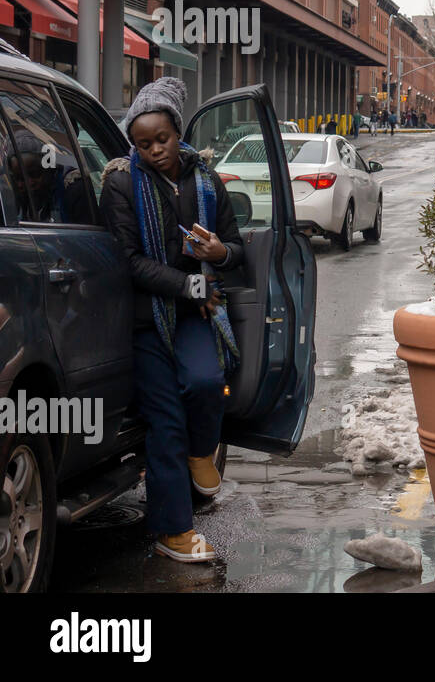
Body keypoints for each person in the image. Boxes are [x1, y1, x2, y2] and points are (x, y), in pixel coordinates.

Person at [99, 78, 243, 564]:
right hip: (146, 319)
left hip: (195, 312)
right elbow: (129, 259)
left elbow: (235, 247)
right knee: (165, 421)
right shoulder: (120, 184)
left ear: (178, 133)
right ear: (133, 144)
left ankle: (202, 452)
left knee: (206, 383)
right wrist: (189, 285)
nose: (155, 150)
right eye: (143, 144)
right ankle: (174, 532)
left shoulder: (207, 181)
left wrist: (218, 253)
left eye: (162, 139)